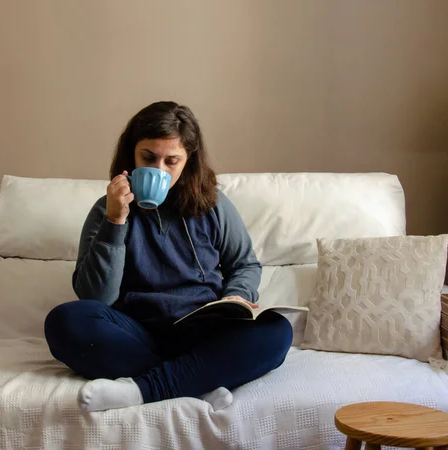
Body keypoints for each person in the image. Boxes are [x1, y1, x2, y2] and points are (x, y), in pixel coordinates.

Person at [44, 101, 293, 412]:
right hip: (136, 335)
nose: (158, 170)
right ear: (131, 155)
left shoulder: (213, 204)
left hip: (204, 331)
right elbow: (96, 297)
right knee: (65, 321)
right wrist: (115, 221)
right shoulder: (105, 210)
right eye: (148, 158)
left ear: (187, 162)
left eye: (171, 161)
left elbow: (244, 265)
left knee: (278, 331)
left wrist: (237, 298)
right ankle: (197, 383)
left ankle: (144, 389)